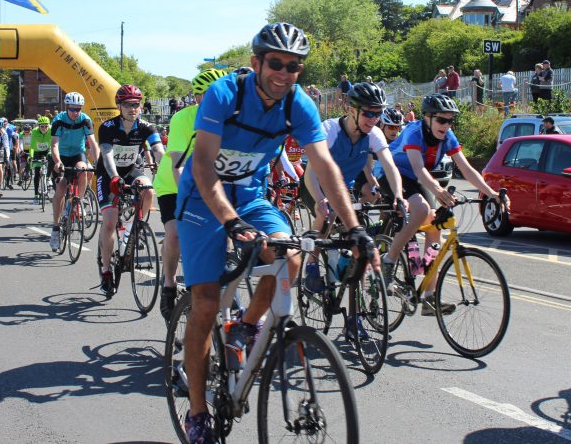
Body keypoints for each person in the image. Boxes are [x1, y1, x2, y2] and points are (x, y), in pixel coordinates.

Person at [176, 22, 379, 442]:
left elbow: (325, 165)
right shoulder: (224, 95)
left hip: (250, 196)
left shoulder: (297, 104)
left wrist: (356, 229)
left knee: (292, 254)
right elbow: (202, 165)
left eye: (294, 66)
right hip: (202, 199)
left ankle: (246, 327)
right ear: (256, 63)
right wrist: (230, 223)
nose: (284, 73)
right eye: (275, 63)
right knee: (206, 303)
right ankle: (197, 411)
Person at [378, 94, 508, 315]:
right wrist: (438, 191)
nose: (446, 125)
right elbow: (418, 169)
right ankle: (389, 259)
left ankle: (429, 298)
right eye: (441, 120)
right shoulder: (413, 131)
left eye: (450, 121)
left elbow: (466, 169)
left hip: (418, 180)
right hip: (392, 174)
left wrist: (492, 194)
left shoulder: (447, 136)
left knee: (435, 227)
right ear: (427, 118)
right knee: (421, 209)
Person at [301, 83, 406, 318]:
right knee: (326, 215)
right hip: (315, 184)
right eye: (369, 112)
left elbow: (390, 167)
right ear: (352, 109)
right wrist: (320, 200)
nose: (374, 119)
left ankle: (354, 317)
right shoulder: (329, 130)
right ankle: (310, 263)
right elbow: (310, 174)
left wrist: (398, 195)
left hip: (341, 188)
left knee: (358, 240)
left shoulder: (374, 135)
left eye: (378, 113)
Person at [154, 68, 227, 322]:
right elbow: (178, 164)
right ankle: (169, 285)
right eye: (208, 96)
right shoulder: (183, 119)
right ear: (198, 98)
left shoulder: (229, 119)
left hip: (208, 186)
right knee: (175, 234)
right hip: (174, 186)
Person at [96, 84, 165, 296]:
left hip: (132, 169)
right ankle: (106, 270)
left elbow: (158, 151)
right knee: (109, 222)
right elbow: (107, 155)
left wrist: (166, 170)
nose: (132, 109)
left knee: (148, 191)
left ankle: (138, 228)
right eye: (127, 105)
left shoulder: (146, 127)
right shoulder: (108, 126)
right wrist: (115, 176)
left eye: (136, 105)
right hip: (109, 173)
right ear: (119, 106)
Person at [49, 92, 99, 251]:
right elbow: (54, 145)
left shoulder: (85, 120)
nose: (75, 112)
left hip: (78, 153)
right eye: (72, 109)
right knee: (61, 190)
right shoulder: (58, 120)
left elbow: (92, 142)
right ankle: (56, 228)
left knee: (84, 170)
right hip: (61, 156)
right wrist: (58, 162)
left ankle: (79, 201)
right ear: (67, 107)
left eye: (78, 109)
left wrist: (97, 162)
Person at [29, 117, 53, 201]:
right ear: (38, 126)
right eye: (42, 126)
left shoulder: (51, 130)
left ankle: (48, 177)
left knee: (51, 158)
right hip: (37, 151)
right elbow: (32, 146)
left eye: (46, 126)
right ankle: (36, 195)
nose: (44, 128)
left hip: (48, 150)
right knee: (37, 173)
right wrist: (31, 156)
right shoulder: (34, 132)